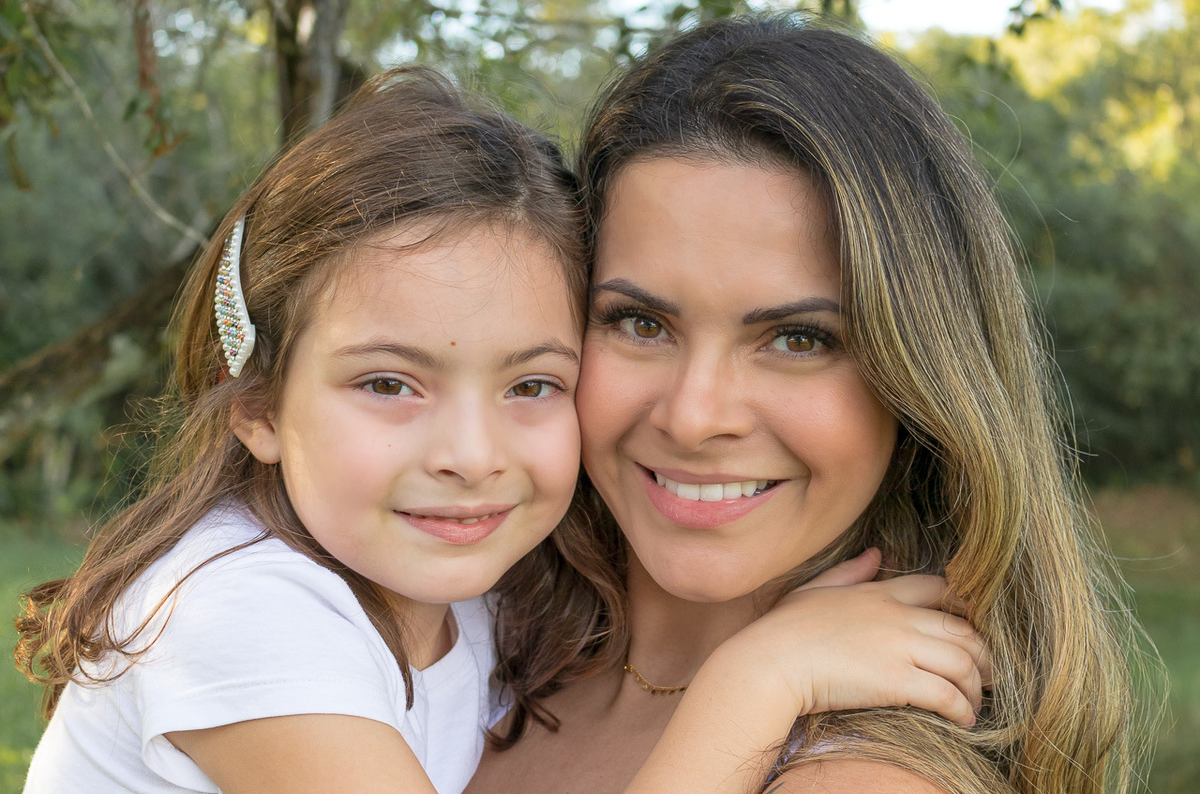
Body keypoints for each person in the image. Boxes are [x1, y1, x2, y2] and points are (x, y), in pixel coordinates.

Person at [15, 65, 988, 794]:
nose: (471, 455)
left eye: (530, 383)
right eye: (389, 382)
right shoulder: (243, 611)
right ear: (257, 405)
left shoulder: (475, 607)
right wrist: (756, 682)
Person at [469, 14, 1146, 794]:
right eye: (642, 323)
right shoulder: (468, 645)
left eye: (798, 339)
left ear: (918, 379)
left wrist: (753, 685)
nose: (694, 416)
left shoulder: (864, 778)